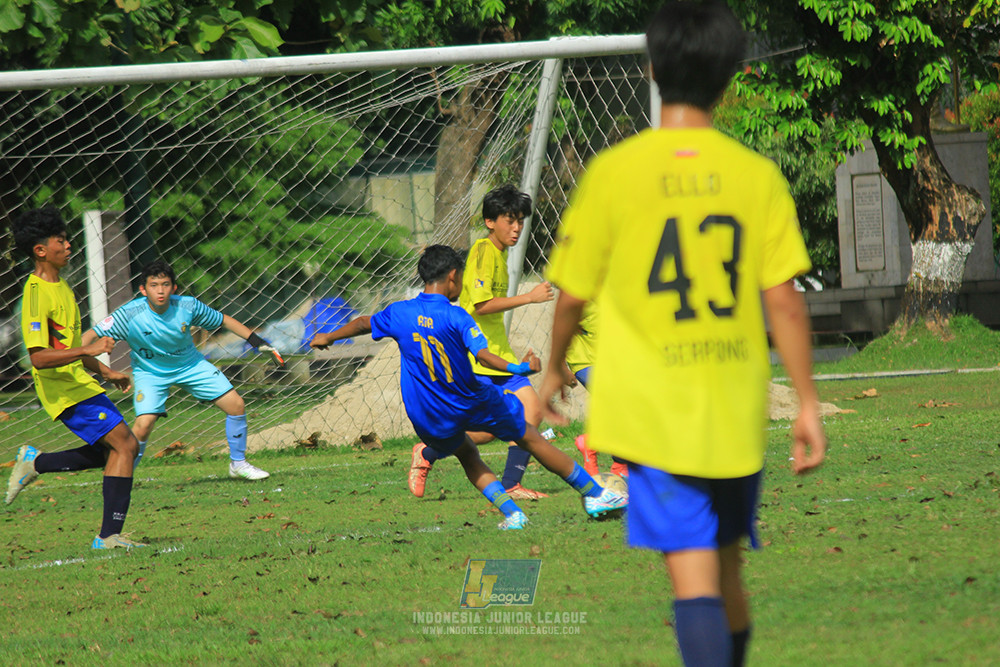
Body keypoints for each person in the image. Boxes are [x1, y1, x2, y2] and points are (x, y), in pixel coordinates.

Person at [539, 3, 827, 665]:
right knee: (728, 573)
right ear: (731, 76)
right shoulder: (756, 176)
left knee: (693, 577)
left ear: (652, 67)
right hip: (730, 403)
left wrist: (552, 369)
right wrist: (807, 401)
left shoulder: (612, 172)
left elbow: (570, 296)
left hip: (649, 408)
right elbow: (782, 302)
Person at [310, 245, 626, 529]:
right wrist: (519, 368)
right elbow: (484, 356)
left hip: (427, 413)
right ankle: (596, 493)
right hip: (471, 400)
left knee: (467, 454)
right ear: (452, 277)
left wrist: (329, 336)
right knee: (529, 437)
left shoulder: (399, 313)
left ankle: (514, 515)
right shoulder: (457, 316)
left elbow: (365, 322)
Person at [7, 206, 145, 549]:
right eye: (61, 240)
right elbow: (39, 358)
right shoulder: (35, 294)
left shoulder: (64, 289)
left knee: (116, 451)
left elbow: (69, 347)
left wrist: (106, 371)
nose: (68, 245)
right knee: (125, 445)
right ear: (41, 250)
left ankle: (35, 462)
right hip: (60, 389)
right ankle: (107, 537)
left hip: (78, 383)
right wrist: (89, 351)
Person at [408, 185, 555, 501]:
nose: (516, 228)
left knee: (521, 415)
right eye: (509, 220)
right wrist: (529, 297)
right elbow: (480, 305)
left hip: (497, 352)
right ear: (490, 221)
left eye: (520, 222)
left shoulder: (499, 255)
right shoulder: (484, 252)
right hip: (479, 357)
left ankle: (436, 455)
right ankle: (431, 450)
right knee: (514, 417)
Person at [84, 260, 281, 480]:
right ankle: (123, 477)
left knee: (236, 404)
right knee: (143, 425)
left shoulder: (187, 306)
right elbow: (90, 335)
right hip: (151, 373)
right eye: (154, 285)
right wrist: (74, 353)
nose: (160, 290)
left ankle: (238, 464)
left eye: (166, 284)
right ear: (143, 289)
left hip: (191, 366)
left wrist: (257, 341)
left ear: (174, 288)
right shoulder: (129, 314)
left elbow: (223, 320)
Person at [564, 301, 629, 478]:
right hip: (586, 362)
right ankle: (618, 465)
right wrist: (561, 367)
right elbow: (563, 326)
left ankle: (593, 445)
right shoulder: (581, 297)